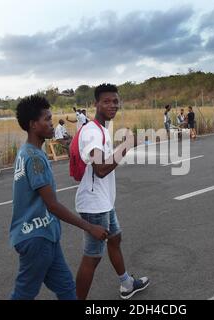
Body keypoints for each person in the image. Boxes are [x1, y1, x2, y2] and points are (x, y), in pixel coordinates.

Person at [10, 95, 108, 300]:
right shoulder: (35, 158)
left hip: (46, 235)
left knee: (67, 291)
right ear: (32, 125)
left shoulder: (27, 151)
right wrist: (90, 227)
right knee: (24, 294)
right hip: (36, 237)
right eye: (47, 119)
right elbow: (52, 205)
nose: (51, 123)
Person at [75, 84, 149, 300]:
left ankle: (127, 284)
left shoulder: (102, 129)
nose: (112, 105)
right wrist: (126, 145)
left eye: (115, 101)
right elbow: (101, 169)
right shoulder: (91, 131)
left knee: (115, 239)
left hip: (104, 201)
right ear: (95, 104)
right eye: (106, 101)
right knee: (92, 258)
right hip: (94, 204)